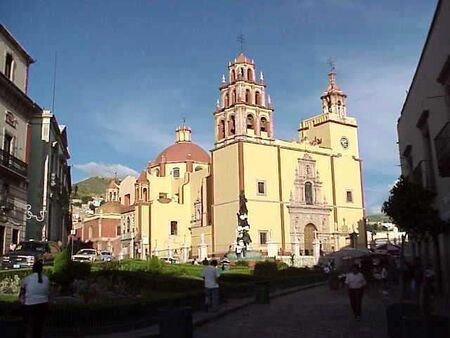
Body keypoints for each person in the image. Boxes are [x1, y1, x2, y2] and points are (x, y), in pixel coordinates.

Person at [20, 260, 50, 338]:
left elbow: (22, 291)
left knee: (26, 324)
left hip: (30, 304)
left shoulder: (28, 278)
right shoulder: (46, 279)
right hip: (43, 304)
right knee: (39, 326)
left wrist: (22, 299)